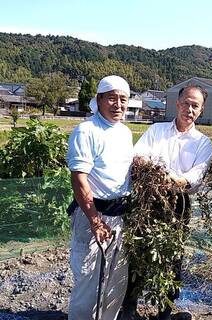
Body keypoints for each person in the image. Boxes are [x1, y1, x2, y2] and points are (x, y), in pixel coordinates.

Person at [119, 85, 212, 320]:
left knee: (172, 257)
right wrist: (153, 171)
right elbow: (138, 155)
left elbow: (195, 177)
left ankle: (165, 310)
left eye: (195, 106)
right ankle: (129, 307)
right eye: (186, 103)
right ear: (177, 104)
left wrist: (172, 180)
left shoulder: (203, 143)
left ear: (201, 111)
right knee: (139, 252)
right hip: (148, 200)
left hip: (178, 204)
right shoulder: (156, 130)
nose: (189, 109)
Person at [67, 75, 133, 320]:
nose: (118, 104)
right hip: (94, 213)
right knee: (89, 279)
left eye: (123, 99)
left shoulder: (125, 133)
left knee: (116, 279)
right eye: (112, 98)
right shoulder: (87, 130)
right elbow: (79, 179)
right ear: (99, 99)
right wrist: (95, 221)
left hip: (120, 214)